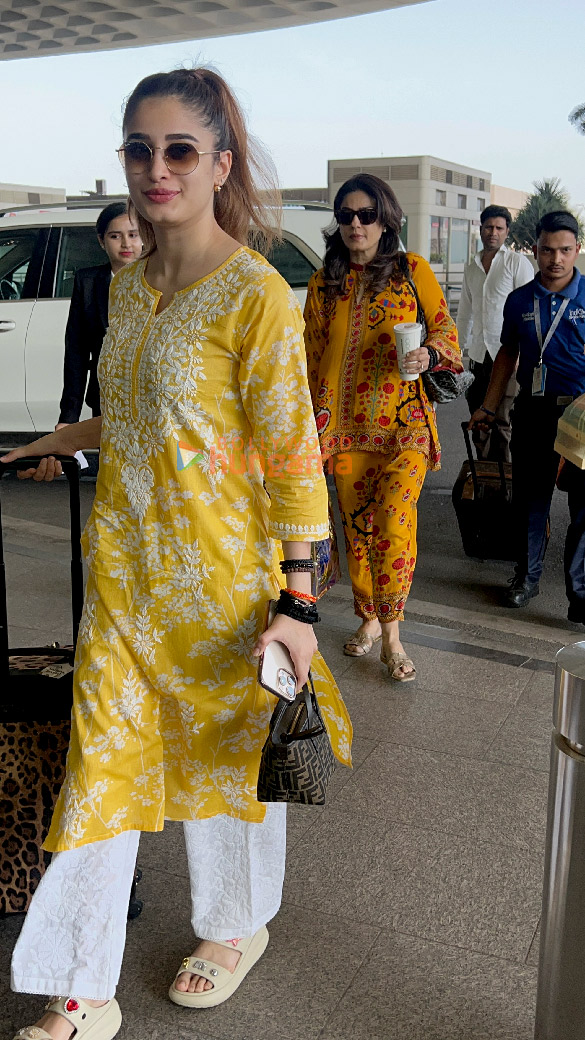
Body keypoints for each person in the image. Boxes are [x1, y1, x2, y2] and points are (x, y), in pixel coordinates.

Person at [3, 67, 352, 1040]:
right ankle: (82, 987)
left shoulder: (255, 297)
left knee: (224, 771)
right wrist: (57, 438)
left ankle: (237, 926)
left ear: (220, 164)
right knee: (99, 773)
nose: (157, 168)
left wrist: (298, 605)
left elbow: (292, 466)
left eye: (180, 150)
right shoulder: (125, 287)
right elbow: (138, 420)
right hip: (124, 583)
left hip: (228, 588)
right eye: (139, 149)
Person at [304, 173, 462, 681]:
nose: (355, 224)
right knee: (358, 529)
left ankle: (393, 634)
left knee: (394, 516)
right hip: (343, 428)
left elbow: (445, 330)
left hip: (404, 425)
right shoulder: (322, 282)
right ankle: (368, 618)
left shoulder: (411, 270)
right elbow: (308, 358)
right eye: (346, 215)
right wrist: (302, 424)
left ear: (385, 219)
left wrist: (430, 353)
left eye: (366, 214)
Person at [469, 210, 585, 613]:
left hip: (580, 418)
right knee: (530, 500)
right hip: (534, 412)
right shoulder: (520, 300)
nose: (556, 259)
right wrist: (487, 405)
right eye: (548, 250)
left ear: (577, 250)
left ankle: (580, 595)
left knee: (583, 506)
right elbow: (507, 353)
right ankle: (527, 577)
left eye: (565, 250)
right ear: (535, 250)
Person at [457, 204, 534, 462]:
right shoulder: (471, 269)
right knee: (478, 420)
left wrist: (525, 351)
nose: (493, 232)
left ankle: (504, 488)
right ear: (480, 229)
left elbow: (529, 311)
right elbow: (465, 315)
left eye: (499, 228)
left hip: (509, 355)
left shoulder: (516, 263)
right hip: (478, 356)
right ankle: (485, 478)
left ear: (507, 232)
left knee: (502, 420)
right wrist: (456, 352)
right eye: (488, 227)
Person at [57, 202, 142, 428]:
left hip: (152, 397)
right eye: (115, 236)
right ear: (101, 241)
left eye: (133, 235)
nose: (126, 244)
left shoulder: (163, 279)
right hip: (105, 398)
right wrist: (68, 418)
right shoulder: (87, 282)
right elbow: (76, 353)